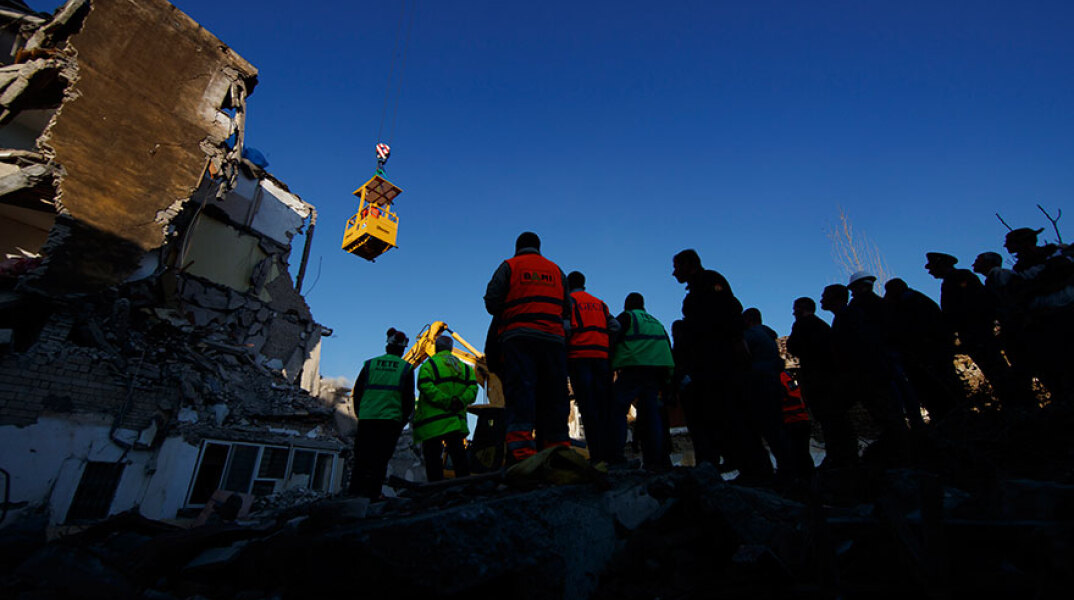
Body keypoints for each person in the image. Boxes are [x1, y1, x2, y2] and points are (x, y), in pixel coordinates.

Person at [672, 249, 771, 482]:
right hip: (709, 365)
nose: (674, 272)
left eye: (677, 266)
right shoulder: (697, 290)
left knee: (734, 416)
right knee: (721, 418)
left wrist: (733, 344)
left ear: (689, 265)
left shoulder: (710, 283)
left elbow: (728, 315)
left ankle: (757, 471)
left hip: (720, 365)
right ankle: (747, 468)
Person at [484, 232, 571, 463]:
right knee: (554, 395)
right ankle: (558, 453)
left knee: (521, 392)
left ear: (517, 247)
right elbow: (567, 309)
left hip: (519, 340)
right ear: (539, 247)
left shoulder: (509, 266)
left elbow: (491, 302)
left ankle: (522, 456)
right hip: (553, 341)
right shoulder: (556, 270)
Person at [836, 273, 912, 465]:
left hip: (872, 367)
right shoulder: (881, 305)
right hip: (884, 363)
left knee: (887, 409)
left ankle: (901, 449)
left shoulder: (856, 310)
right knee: (898, 404)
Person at [925, 251, 1018, 405]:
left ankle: (1016, 402)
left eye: (932, 267)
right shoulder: (952, 280)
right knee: (992, 369)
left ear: (941, 265)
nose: (930, 271)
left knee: (996, 369)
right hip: (971, 332)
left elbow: (973, 305)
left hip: (977, 331)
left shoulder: (960, 277)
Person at [787, 296, 857, 469]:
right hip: (832, 380)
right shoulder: (823, 326)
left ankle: (838, 459)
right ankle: (847, 456)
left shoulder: (802, 325)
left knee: (829, 421)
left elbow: (793, 346)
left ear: (801, 309)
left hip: (818, 381)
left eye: (796, 308)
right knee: (838, 420)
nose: (793, 312)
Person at [610, 292, 675, 469]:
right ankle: (654, 460)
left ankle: (615, 456)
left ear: (627, 305)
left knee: (616, 409)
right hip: (655, 372)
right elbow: (666, 345)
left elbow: (612, 336)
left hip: (633, 368)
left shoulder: (627, 317)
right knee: (651, 414)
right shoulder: (656, 322)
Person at [349, 328, 415, 498]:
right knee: (380, 460)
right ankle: (373, 495)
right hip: (390, 421)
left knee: (361, 459)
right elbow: (408, 400)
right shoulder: (406, 368)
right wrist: (402, 422)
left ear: (387, 346)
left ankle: (354, 494)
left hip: (367, 418)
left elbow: (358, 391)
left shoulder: (370, 364)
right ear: (402, 349)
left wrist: (359, 413)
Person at [883, 278, 959, 421]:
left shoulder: (912, 303)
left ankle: (952, 416)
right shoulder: (915, 301)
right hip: (926, 352)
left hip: (928, 353)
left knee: (939, 385)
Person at [565, 271, 620, 464]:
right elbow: (615, 327)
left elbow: (565, 329)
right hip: (601, 359)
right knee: (605, 406)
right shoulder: (600, 303)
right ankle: (612, 454)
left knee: (588, 408)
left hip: (579, 358)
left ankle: (597, 456)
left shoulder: (568, 302)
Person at [415, 335, 478, 482]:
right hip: (455, 421)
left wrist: (446, 401)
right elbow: (473, 390)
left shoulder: (429, 365)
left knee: (433, 459)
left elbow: (425, 386)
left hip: (433, 423)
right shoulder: (466, 369)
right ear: (451, 348)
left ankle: (436, 490)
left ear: (436, 348)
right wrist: (459, 401)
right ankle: (465, 487)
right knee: (459, 456)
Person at [742, 308, 795, 481]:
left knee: (764, 429)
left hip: (758, 386)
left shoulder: (750, 336)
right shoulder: (769, 338)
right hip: (773, 384)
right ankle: (788, 467)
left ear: (748, 319)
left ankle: (769, 471)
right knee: (777, 429)